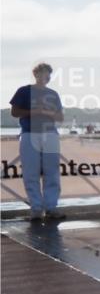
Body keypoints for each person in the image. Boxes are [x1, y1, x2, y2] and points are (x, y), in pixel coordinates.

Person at [9, 63, 66, 221]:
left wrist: (47, 112)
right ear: (36, 74)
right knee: (30, 172)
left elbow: (60, 117)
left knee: (52, 173)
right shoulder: (23, 91)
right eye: (44, 73)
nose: (46, 77)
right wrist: (35, 112)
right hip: (29, 134)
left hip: (50, 135)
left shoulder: (53, 94)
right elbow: (14, 112)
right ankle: (36, 208)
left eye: (49, 75)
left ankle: (51, 207)